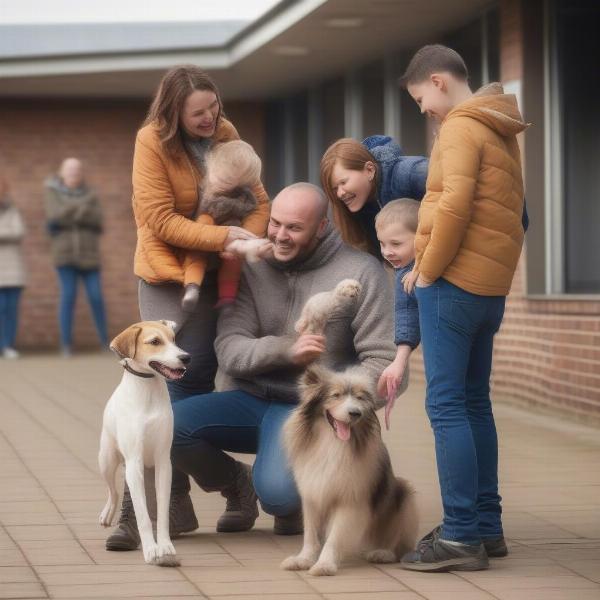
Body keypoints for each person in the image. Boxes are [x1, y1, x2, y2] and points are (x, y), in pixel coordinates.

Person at [105, 65, 270, 551]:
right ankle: (150, 510)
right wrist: (224, 235)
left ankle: (225, 486)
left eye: (214, 107)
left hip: (225, 273)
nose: (210, 118)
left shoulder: (226, 134)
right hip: (167, 275)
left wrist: (249, 238)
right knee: (155, 384)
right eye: (198, 112)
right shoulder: (150, 142)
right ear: (172, 111)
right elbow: (157, 218)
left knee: (193, 388)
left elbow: (257, 197)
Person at [170, 182, 397, 536]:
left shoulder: (362, 273)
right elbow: (230, 347)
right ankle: (239, 484)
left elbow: (382, 361)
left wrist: (341, 402)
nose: (280, 235)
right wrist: (285, 349)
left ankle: (287, 491)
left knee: (278, 498)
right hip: (249, 399)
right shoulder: (252, 266)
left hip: (311, 411)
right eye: (275, 223)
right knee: (166, 426)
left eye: (294, 227)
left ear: (322, 227)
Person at [398, 44, 527, 572]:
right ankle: (486, 527)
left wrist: (426, 267)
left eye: (421, 99)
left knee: (447, 406)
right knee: (475, 403)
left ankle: (458, 536)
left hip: (452, 283)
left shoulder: (459, 126)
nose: (424, 110)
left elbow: (451, 204)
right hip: (490, 288)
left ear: (438, 81)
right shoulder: (498, 125)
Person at [141, 139, 269, 311]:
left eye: (228, 181)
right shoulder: (199, 177)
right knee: (197, 252)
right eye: (219, 176)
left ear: (240, 183)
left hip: (231, 227)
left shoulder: (243, 194)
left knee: (232, 262)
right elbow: (163, 218)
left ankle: (227, 297)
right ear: (211, 165)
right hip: (205, 222)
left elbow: (259, 208)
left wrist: (242, 240)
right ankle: (192, 287)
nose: (220, 183)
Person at [44, 158, 108, 356]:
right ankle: (65, 344)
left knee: (96, 297)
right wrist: (82, 208)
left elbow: (98, 219)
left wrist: (70, 214)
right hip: (64, 255)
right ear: (62, 172)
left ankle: (105, 343)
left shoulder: (91, 193)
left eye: (77, 169)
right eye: (70, 169)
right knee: (68, 297)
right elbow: (55, 216)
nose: (74, 172)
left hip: (90, 255)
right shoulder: (51, 191)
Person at [374, 199, 421, 428]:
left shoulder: (407, 275)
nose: (387, 252)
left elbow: (407, 314)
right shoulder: (406, 270)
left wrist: (399, 362)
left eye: (395, 243)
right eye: (382, 244)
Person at [0, 174, 26, 359]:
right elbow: (11, 232)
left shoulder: (12, 210)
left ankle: (8, 345)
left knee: (11, 310)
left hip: (13, 270)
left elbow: (18, 231)